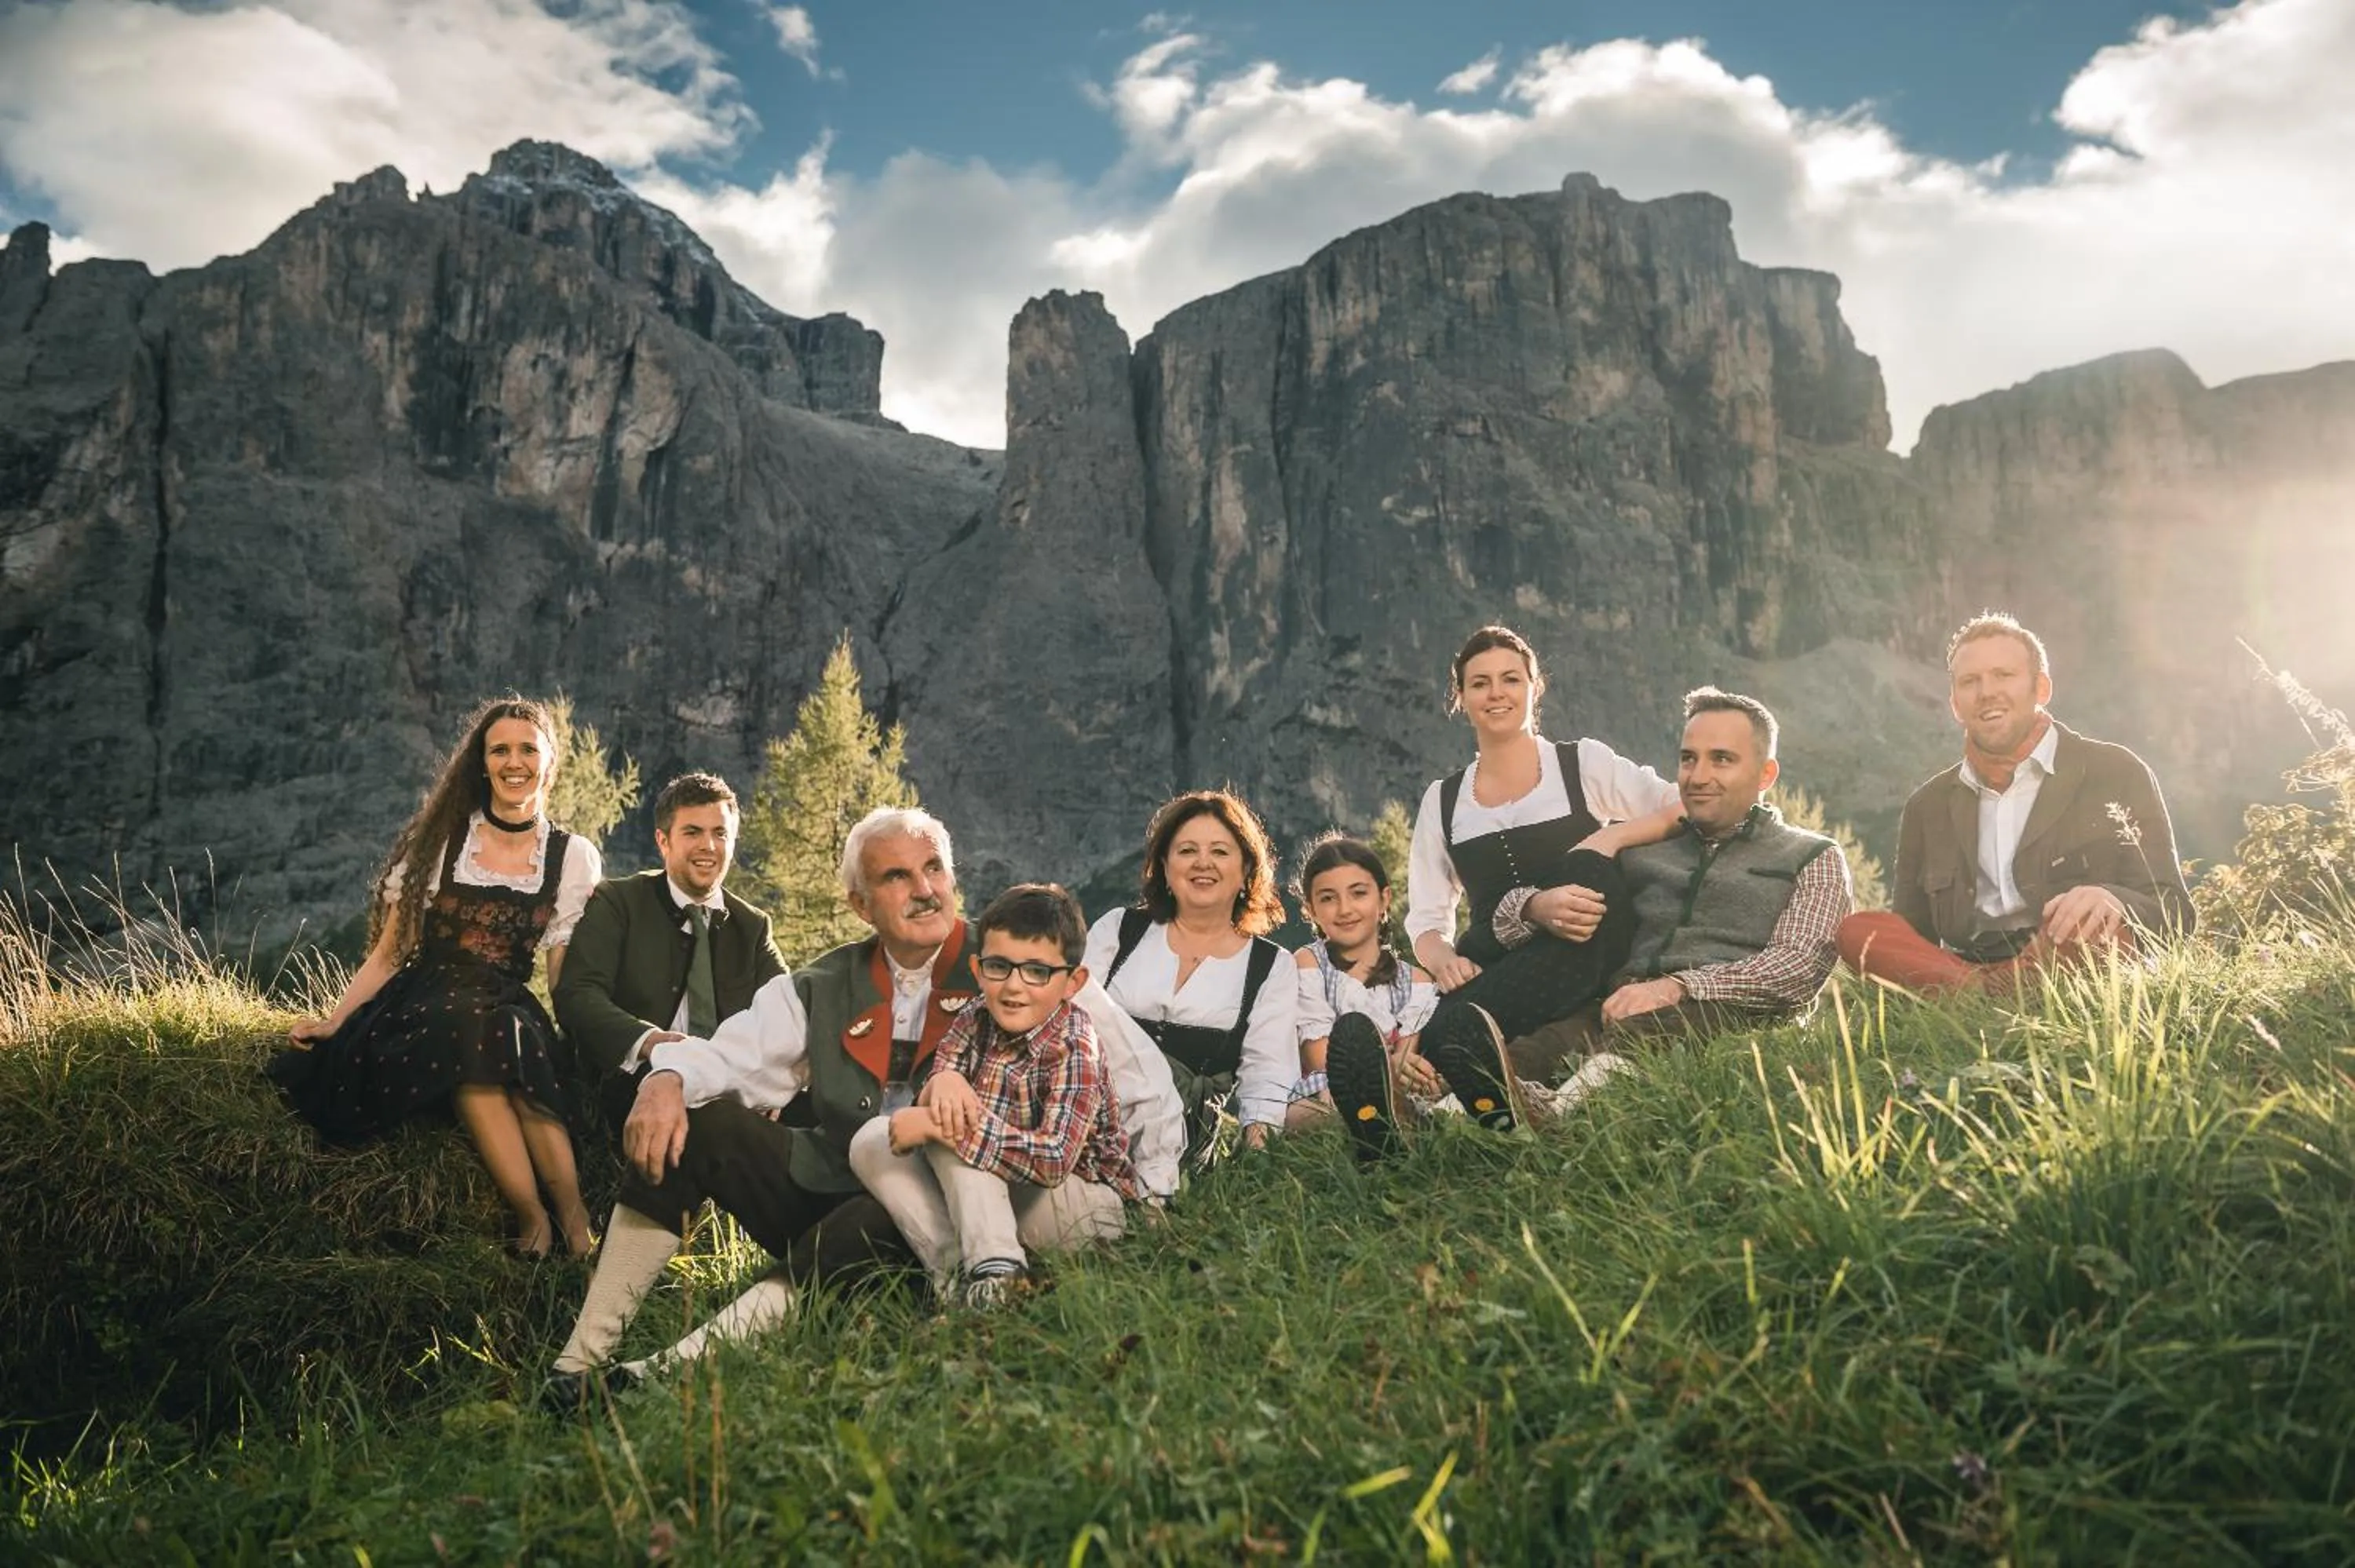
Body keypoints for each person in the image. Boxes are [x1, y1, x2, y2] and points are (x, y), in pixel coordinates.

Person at [546, 808, 1182, 1402]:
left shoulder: (1013, 963)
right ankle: (579, 1360)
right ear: (860, 903)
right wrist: (666, 1080)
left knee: (867, 1215)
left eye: (935, 869)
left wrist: (1156, 1195)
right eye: (898, 876)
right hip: (843, 1176)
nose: (925, 889)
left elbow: (1137, 1078)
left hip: (961, 1208)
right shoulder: (822, 984)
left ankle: (663, 1375)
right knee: (698, 1122)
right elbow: (732, 1055)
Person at [1331, 625, 1681, 1161]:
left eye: (1510, 679)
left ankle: (1416, 1074)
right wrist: (1443, 958)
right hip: (1500, 957)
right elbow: (1425, 920)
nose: (1496, 693)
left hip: (1589, 941)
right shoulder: (1443, 801)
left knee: (1588, 870)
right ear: (1462, 699)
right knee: (1461, 996)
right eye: (1480, 683)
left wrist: (1610, 836)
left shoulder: (1580, 763)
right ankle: (1404, 1105)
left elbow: (1677, 807)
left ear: (1534, 688)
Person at [269, 697, 603, 1258]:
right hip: (427, 998)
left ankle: (576, 1229)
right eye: (499, 750)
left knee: (509, 1040)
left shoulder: (572, 857)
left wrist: (583, 1038)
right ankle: (532, 1222)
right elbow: (389, 953)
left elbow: (562, 972)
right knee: (469, 1034)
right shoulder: (445, 840)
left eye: (527, 749)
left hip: (504, 999)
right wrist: (335, 1021)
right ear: (482, 763)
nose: (513, 761)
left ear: (549, 762)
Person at [1836, 612, 2193, 994]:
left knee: (2091, 929)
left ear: (2041, 688)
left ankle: (1979, 997)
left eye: (2004, 675)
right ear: (1956, 704)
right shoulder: (1927, 806)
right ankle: (1996, 991)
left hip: (2066, 955)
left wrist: (2114, 900)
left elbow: (2175, 912)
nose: (1987, 692)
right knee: (1859, 932)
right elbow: (1912, 936)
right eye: (1970, 682)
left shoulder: (2116, 772)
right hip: (1963, 966)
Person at [1510, 687, 1853, 1081]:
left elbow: (1797, 968)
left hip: (1735, 1016)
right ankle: (1446, 1115)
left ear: (1766, 774)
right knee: (1538, 1049)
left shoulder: (1814, 856)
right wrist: (1533, 907)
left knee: (1645, 1035)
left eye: (1722, 759)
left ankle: (1559, 1116)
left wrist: (1678, 987)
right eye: (1689, 759)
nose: (1698, 777)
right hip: (1618, 1004)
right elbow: (1508, 922)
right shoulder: (1643, 849)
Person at [849, 884, 1141, 1307]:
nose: (1013, 987)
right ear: (978, 967)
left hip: (1084, 1211)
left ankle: (998, 1269)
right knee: (874, 1137)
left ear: (1073, 982)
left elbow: (1055, 1158)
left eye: (1037, 971)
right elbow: (940, 1090)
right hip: (995, 1196)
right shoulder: (974, 1018)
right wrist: (943, 1079)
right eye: (999, 967)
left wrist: (938, 1123)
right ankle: (963, 1279)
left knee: (952, 1131)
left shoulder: (1075, 1044)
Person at [553, 772, 786, 1143]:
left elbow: (786, 1012)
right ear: (663, 841)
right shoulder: (619, 903)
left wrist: (775, 1075)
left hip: (729, 1084)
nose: (708, 845)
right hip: (632, 1083)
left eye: (720, 833)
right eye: (692, 832)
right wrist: (648, 1041)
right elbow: (577, 995)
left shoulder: (753, 927)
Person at [1086, 789, 1298, 1159]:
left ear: (1246, 869)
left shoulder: (1270, 967)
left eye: (1220, 851)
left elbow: (1267, 1076)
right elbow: (1069, 1023)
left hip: (1184, 1154)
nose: (1203, 863)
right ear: (1165, 867)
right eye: (1187, 851)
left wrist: (1257, 1168)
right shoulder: (1118, 931)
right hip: (1093, 1128)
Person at [1283, 834, 1442, 1132]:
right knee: (1301, 1114)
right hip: (1326, 1093)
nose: (1345, 909)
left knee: (1427, 1088)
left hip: (1395, 1090)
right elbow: (1321, 1060)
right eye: (1328, 898)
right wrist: (1387, 1067)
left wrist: (1403, 1070)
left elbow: (1406, 1060)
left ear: (1384, 899)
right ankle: (1385, 1124)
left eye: (1358, 893)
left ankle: (1391, 1122)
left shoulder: (1415, 982)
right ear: (1312, 910)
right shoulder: (1309, 964)